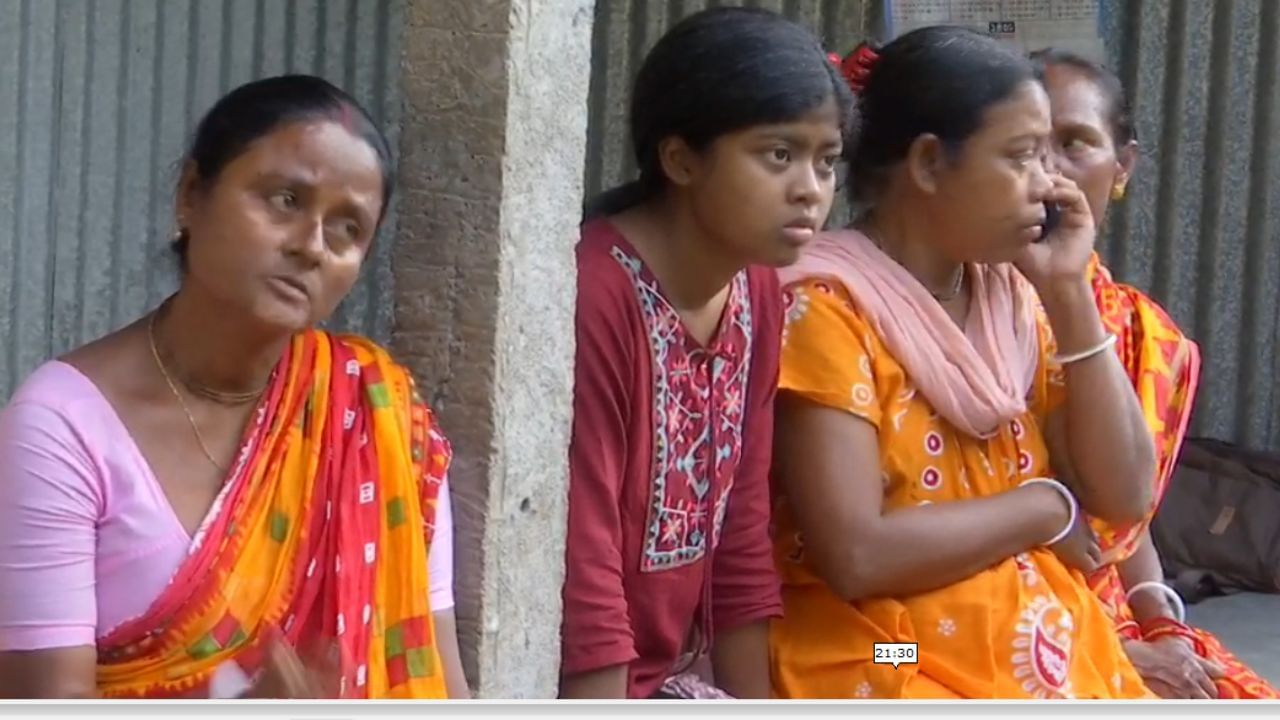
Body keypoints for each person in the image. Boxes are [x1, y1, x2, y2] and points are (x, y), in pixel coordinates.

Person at [0, 75, 468, 700]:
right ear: (191, 196)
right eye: (284, 200)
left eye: (348, 229)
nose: (311, 246)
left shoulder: (375, 416)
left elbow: (445, 685)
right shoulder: (61, 427)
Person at [768, 27, 1159, 699]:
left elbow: (1124, 496)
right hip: (878, 648)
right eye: (1022, 157)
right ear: (927, 164)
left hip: (1037, 638)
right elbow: (857, 556)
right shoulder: (827, 310)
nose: (1049, 184)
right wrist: (1040, 510)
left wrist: (1067, 293)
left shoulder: (1014, 298)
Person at [558, 7, 855, 700]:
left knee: (926, 664)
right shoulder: (598, 290)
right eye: (778, 155)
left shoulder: (756, 291)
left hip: (906, 644)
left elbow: (740, 537)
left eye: (827, 161)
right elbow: (586, 557)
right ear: (680, 158)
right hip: (595, 683)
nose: (811, 189)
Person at [1034, 46, 1279, 700]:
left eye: (1075, 142)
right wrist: (1100, 648)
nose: (1047, 170)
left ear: (1123, 166)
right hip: (910, 642)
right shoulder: (929, 318)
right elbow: (863, 558)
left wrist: (1160, 621)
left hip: (1083, 619)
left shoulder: (1140, 331)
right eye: (1023, 145)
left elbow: (1121, 525)